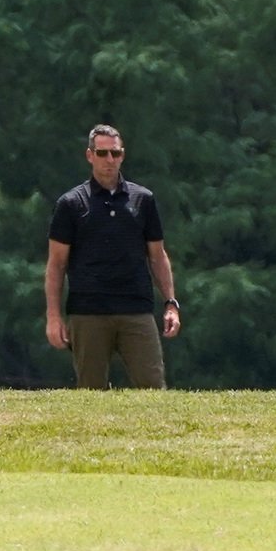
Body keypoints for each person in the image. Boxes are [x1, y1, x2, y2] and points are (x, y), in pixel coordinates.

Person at [44, 124, 180, 388]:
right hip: (88, 312)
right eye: (102, 153)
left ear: (122, 155)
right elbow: (56, 264)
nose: (109, 160)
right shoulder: (71, 204)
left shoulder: (143, 200)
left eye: (115, 153)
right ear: (89, 155)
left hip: (136, 308)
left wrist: (171, 303)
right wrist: (53, 316)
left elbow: (157, 256)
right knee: (91, 393)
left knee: (152, 388)